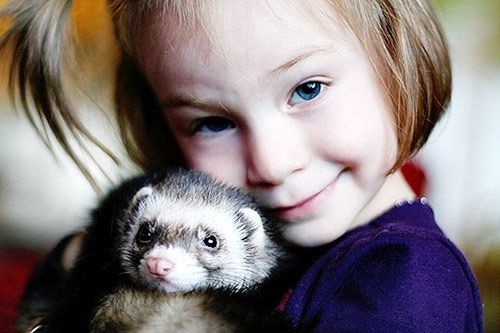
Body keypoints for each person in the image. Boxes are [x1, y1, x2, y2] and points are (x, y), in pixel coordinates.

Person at [1, 0, 483, 331]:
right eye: (212, 122)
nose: (272, 164)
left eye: (307, 89)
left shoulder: (408, 284)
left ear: (394, 58)